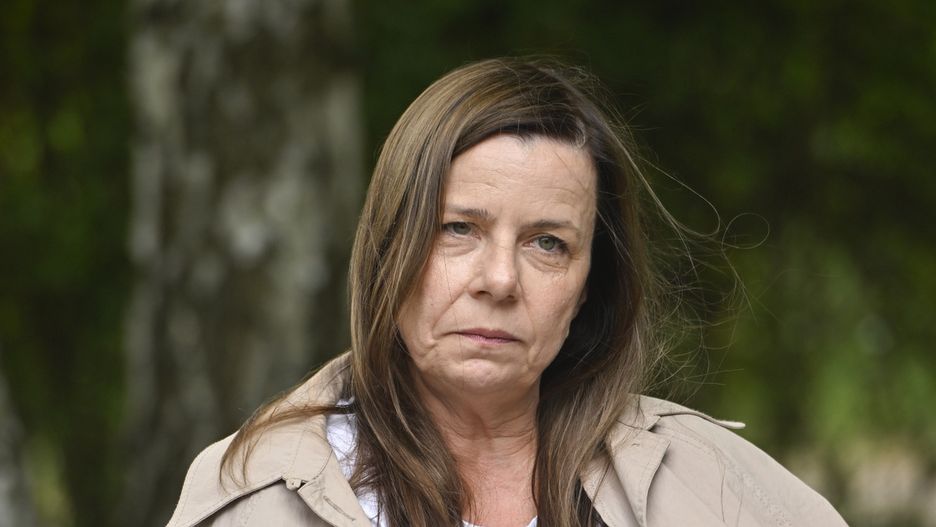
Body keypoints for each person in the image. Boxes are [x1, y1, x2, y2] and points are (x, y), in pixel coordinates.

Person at [165, 58, 847, 527]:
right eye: (458, 229)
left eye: (547, 243)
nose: (499, 280)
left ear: (589, 286)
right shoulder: (255, 498)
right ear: (387, 250)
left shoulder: (713, 486)